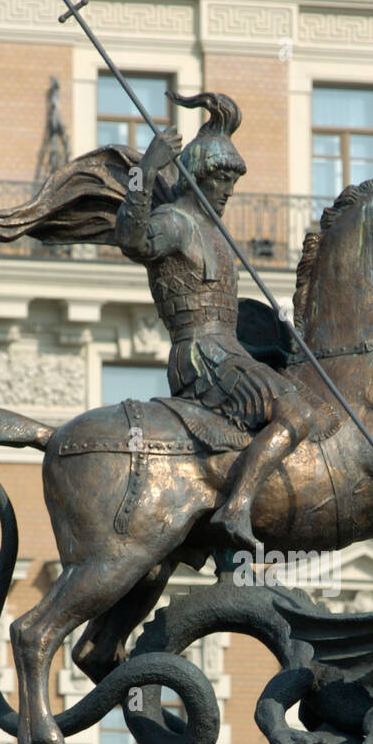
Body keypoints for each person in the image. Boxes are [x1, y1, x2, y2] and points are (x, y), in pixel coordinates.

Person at [115, 91, 315, 552]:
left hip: (229, 350)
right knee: (296, 412)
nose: (227, 192)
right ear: (196, 177)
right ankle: (236, 506)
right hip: (201, 356)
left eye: (231, 182)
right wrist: (146, 171)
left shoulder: (216, 236)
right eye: (220, 180)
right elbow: (132, 238)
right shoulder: (175, 222)